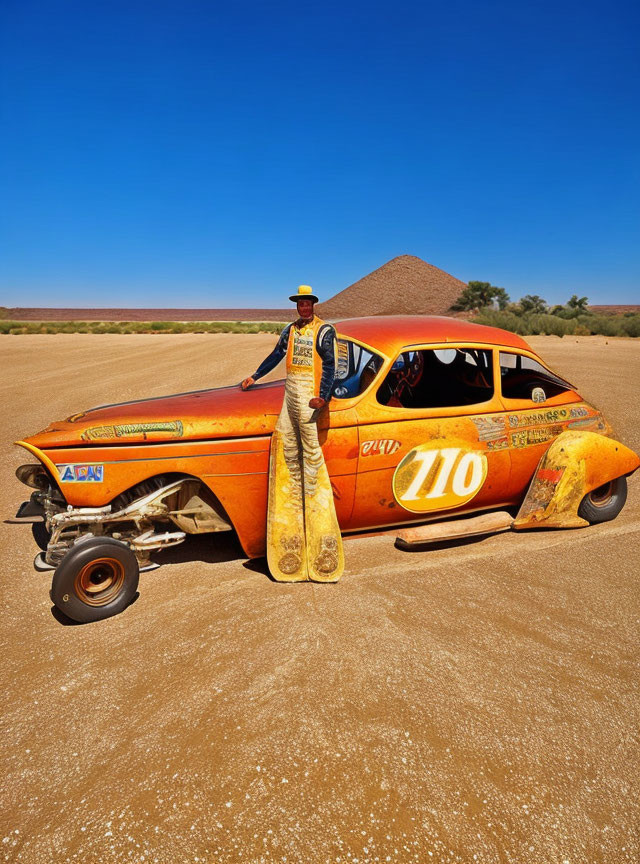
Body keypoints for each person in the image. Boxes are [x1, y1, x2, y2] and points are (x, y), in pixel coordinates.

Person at [241, 285, 344, 582]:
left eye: (308, 303)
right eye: (300, 304)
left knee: (310, 446)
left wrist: (323, 396)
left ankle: (313, 496)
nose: (304, 308)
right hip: (290, 391)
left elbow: (331, 366)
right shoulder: (291, 329)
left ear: (313, 304)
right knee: (285, 440)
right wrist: (255, 376)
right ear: (296, 306)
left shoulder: (324, 331)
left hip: (309, 392)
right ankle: (292, 494)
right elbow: (277, 354)